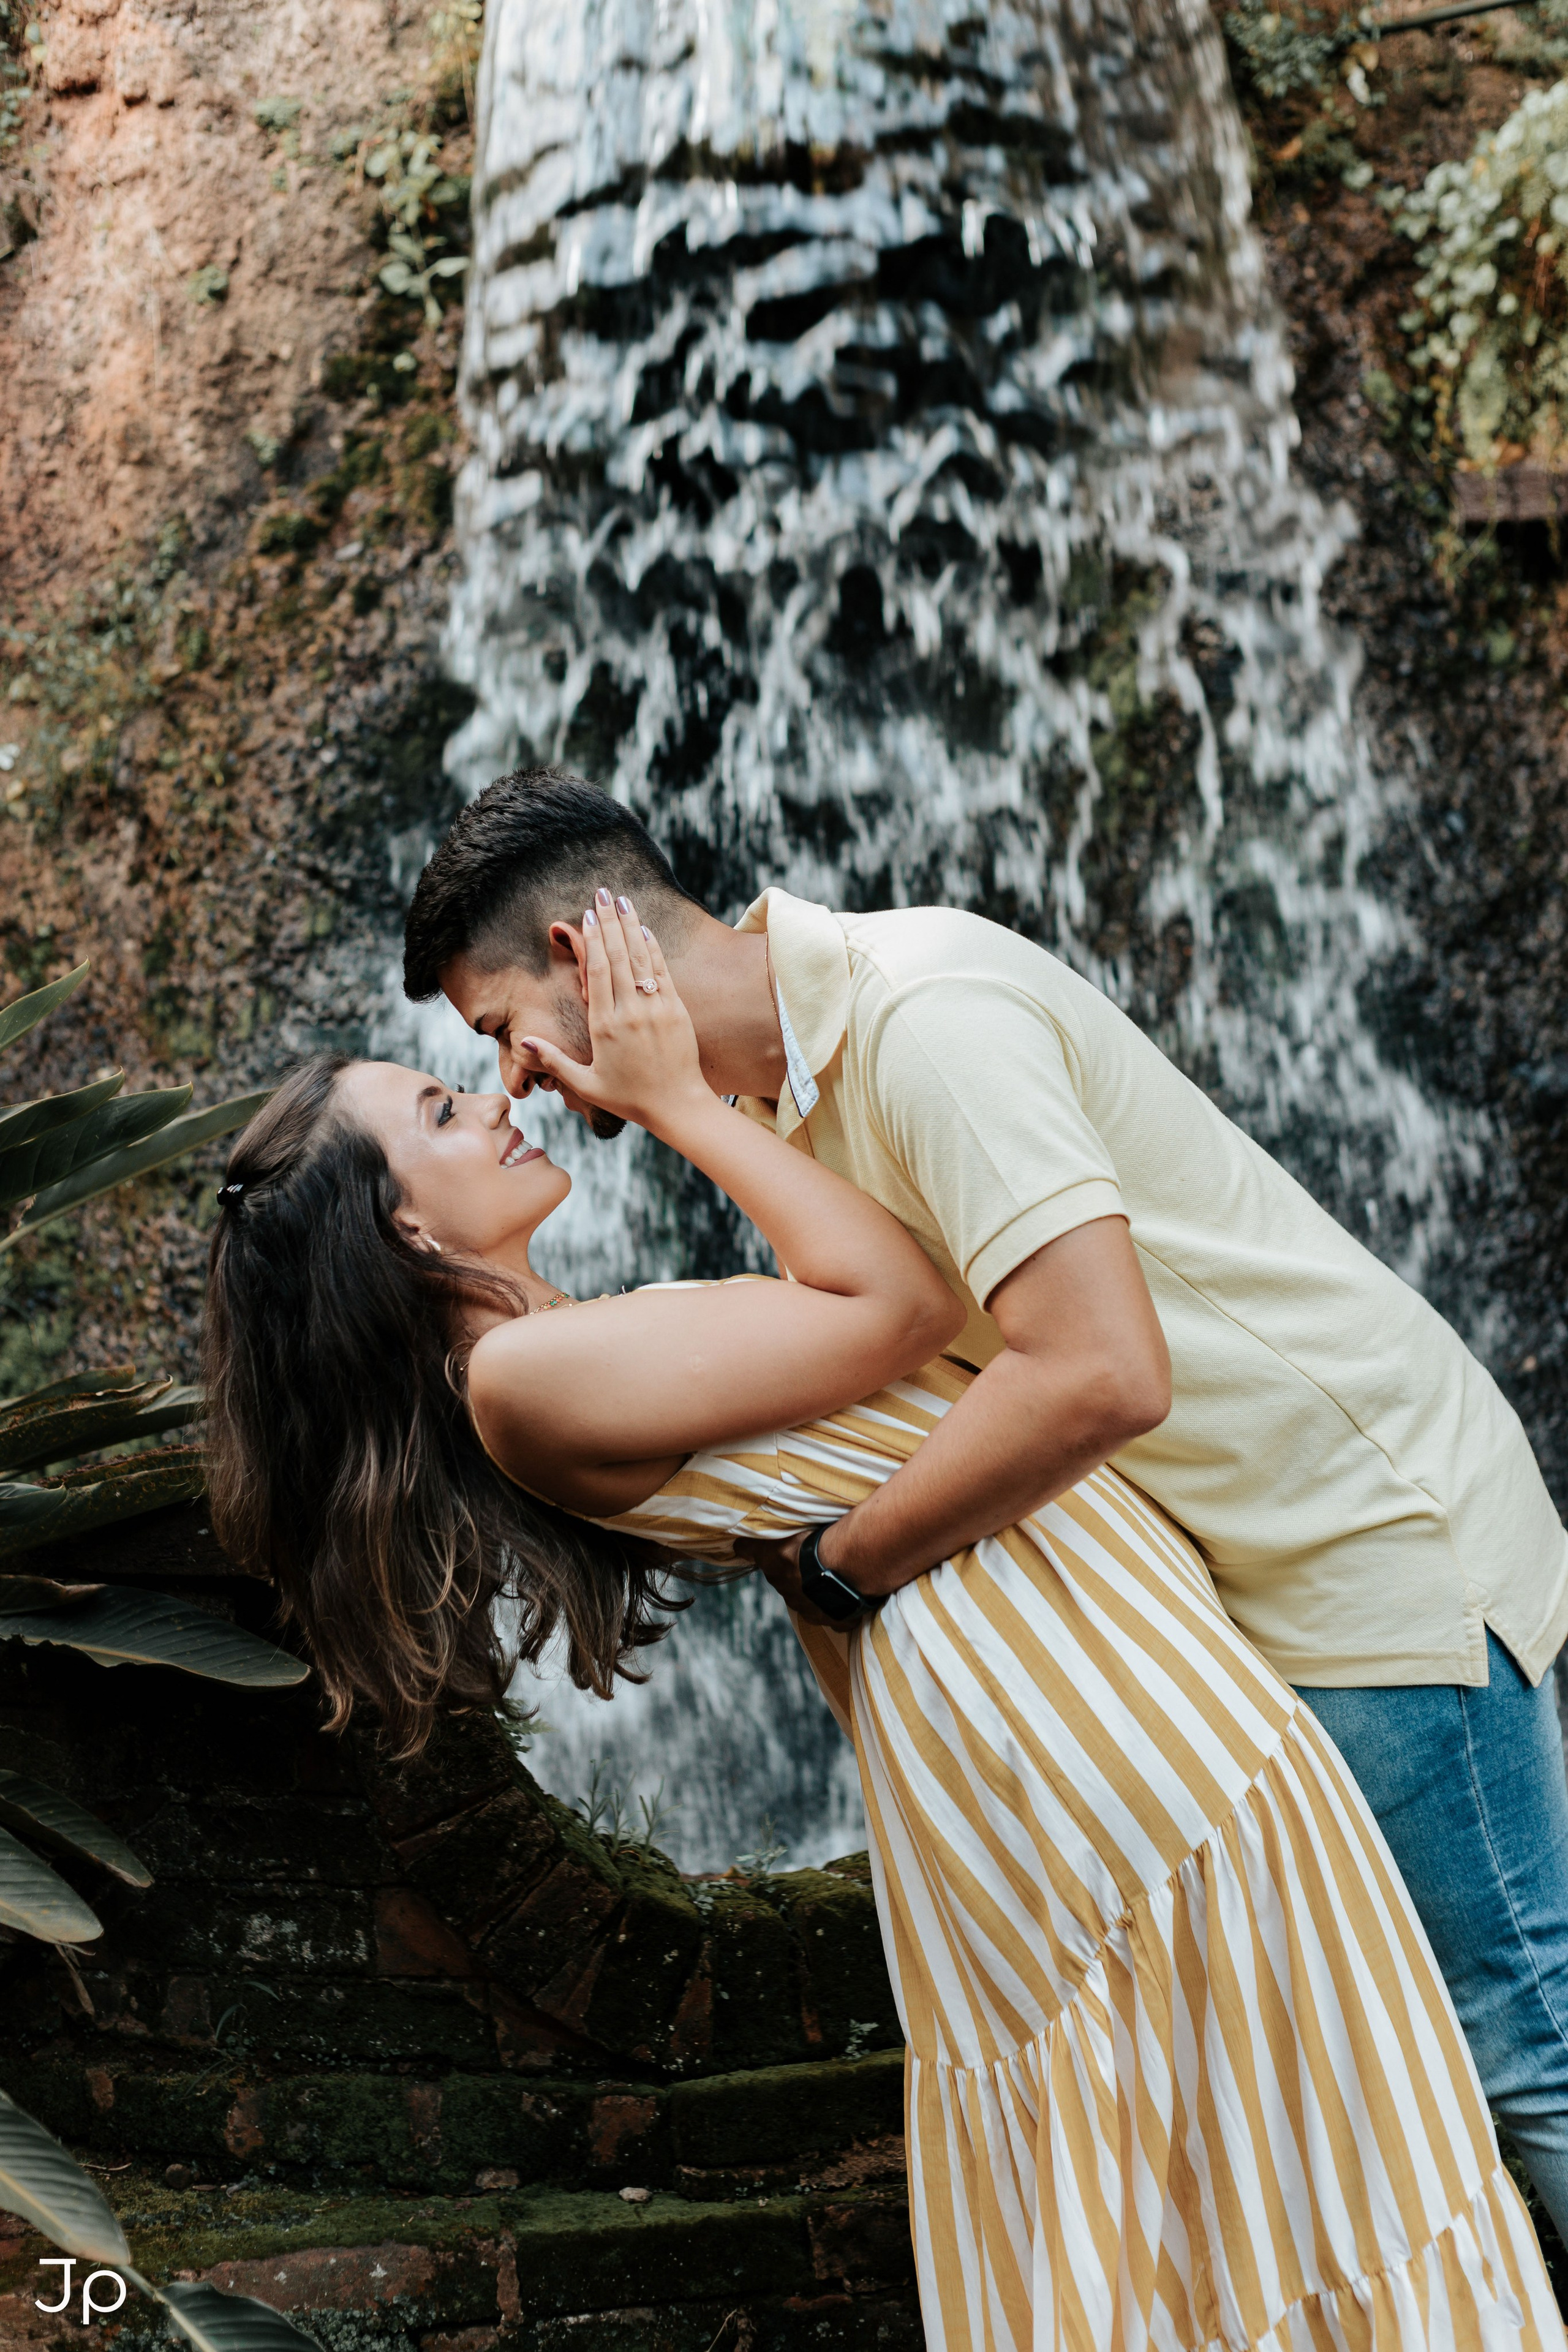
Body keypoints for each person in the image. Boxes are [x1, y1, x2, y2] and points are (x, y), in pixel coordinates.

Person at [205, 895, 1562, 2351]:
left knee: (1299, 2140)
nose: (500, 1094)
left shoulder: (555, 1347)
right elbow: (907, 1301)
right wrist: (673, 1105)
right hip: (1078, 1705)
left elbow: (861, 1400)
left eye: (482, 1048)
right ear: (401, 1222)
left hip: (1070, 1689)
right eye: (445, 1099)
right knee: (1415, 2097)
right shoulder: (525, 1380)